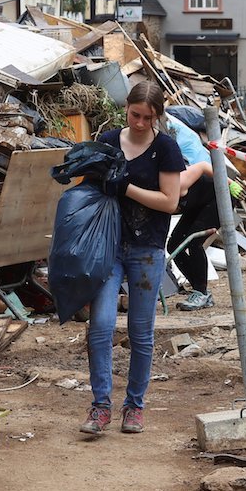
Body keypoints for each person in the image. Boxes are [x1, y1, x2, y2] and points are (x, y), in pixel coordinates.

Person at [82, 81, 184, 436]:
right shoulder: (109, 141)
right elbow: (89, 189)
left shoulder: (166, 149)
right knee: (101, 327)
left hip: (147, 249)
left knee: (141, 333)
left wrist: (126, 187)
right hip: (108, 247)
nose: (140, 122)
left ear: (157, 116)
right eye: (134, 114)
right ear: (126, 108)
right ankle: (100, 406)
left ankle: (134, 407)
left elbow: (170, 202)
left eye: (148, 117)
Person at [167, 161, 219, 309]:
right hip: (196, 204)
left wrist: (229, 184)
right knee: (174, 246)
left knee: (195, 243)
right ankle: (200, 291)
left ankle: (201, 293)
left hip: (218, 197)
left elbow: (203, 165)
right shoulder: (156, 194)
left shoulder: (180, 182)